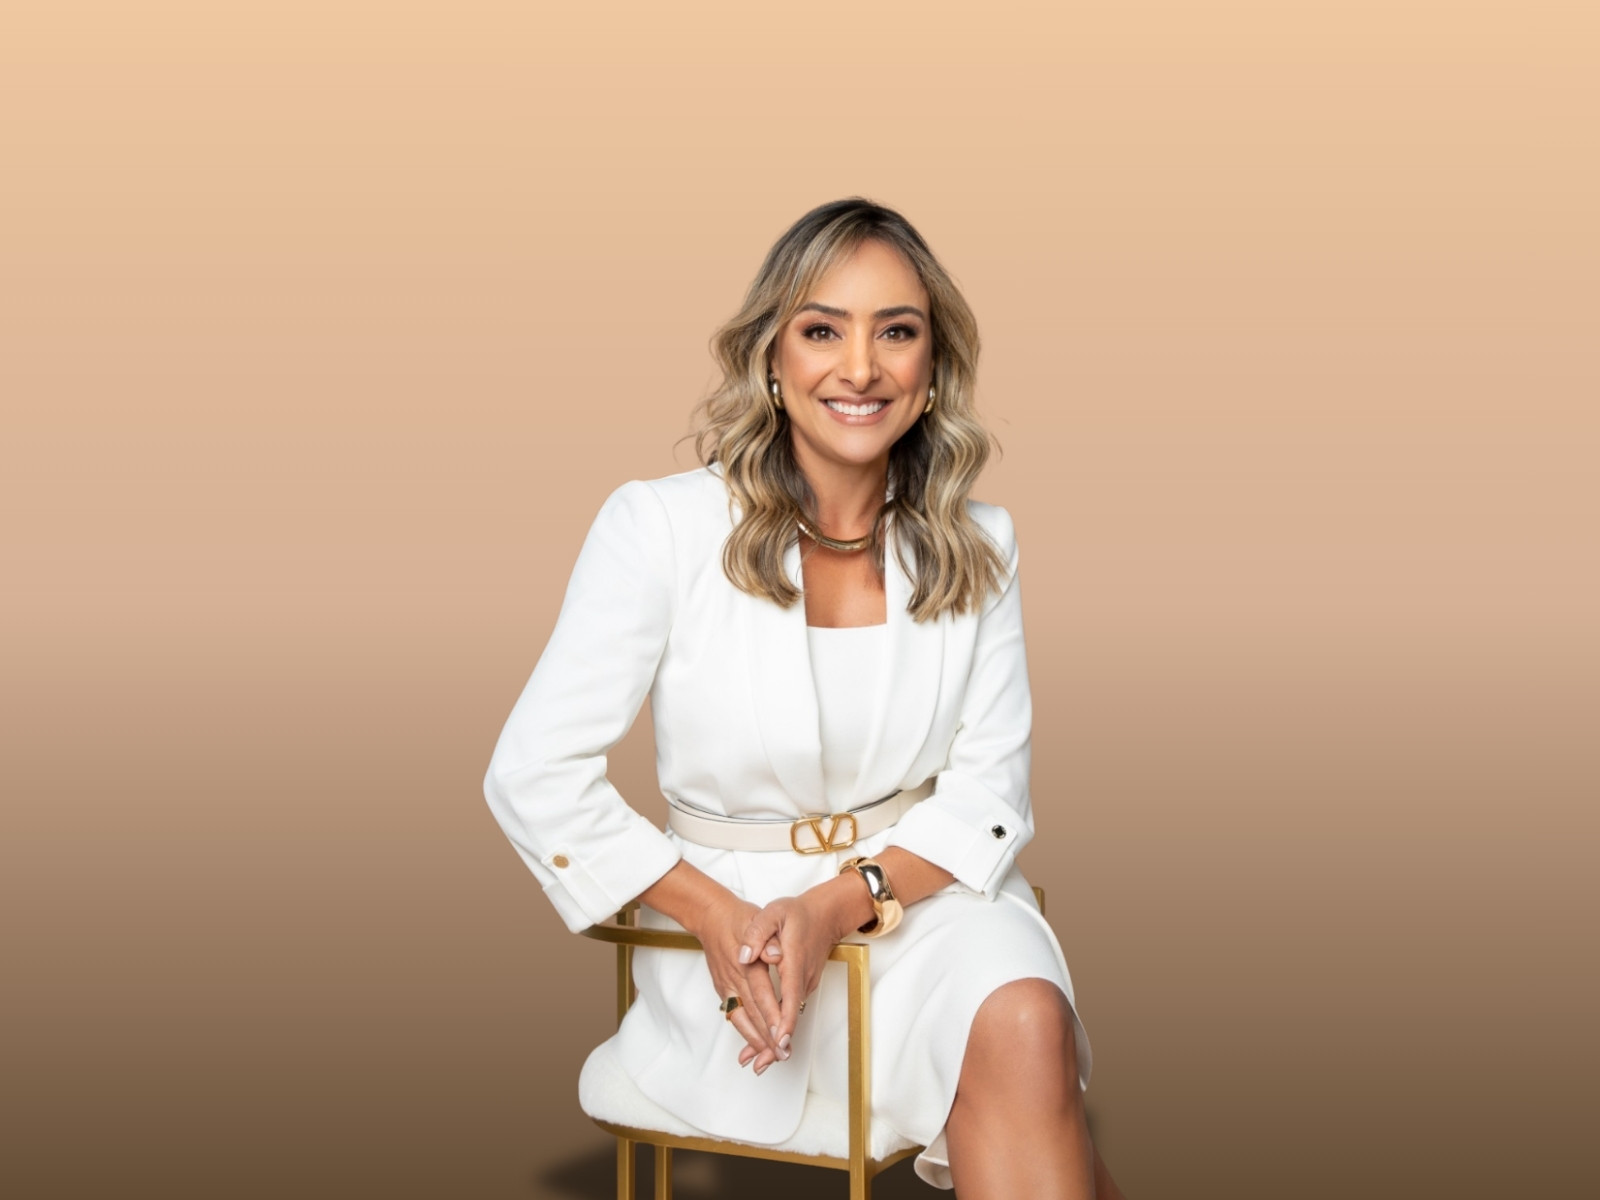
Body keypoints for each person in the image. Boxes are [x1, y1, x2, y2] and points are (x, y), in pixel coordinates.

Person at [484, 198, 1125, 1198]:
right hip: (729, 937)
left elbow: (988, 796)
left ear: (932, 369)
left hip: (918, 907)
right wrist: (708, 912)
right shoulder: (659, 528)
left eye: (896, 333)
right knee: (1032, 1105)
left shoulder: (980, 545)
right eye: (823, 331)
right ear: (772, 360)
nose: (860, 369)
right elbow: (533, 774)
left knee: (1022, 1018)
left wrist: (837, 903)